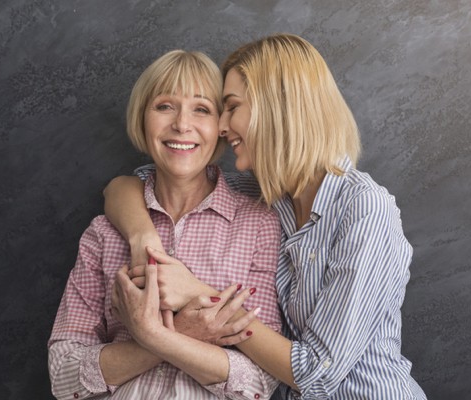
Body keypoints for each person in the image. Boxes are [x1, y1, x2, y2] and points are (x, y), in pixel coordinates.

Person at [104, 34, 427, 399]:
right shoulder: (264, 195)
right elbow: (128, 184)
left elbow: (316, 376)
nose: (222, 127)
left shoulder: (364, 209)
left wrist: (199, 294)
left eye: (232, 107)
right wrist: (143, 239)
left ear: (277, 109)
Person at [48, 49, 283, 400]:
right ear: (142, 118)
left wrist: (156, 336)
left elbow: (259, 383)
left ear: (221, 126)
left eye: (201, 109)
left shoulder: (258, 226)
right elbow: (64, 376)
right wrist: (180, 334)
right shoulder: (104, 232)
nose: (182, 125)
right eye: (164, 106)